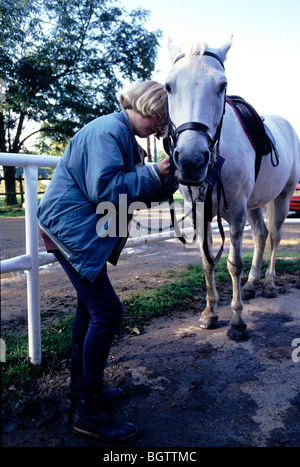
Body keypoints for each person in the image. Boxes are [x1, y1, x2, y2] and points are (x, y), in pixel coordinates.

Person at [37, 80, 177, 442]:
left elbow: (136, 194)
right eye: (161, 118)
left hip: (78, 229)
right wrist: (153, 174)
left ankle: (80, 389)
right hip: (72, 230)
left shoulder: (123, 137)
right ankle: (89, 410)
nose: (161, 127)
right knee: (107, 313)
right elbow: (107, 191)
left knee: (89, 311)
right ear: (147, 105)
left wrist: (167, 180)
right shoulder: (107, 132)